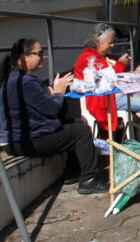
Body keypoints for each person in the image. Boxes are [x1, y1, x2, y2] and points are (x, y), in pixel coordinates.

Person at [0, 39, 107, 194]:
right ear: (24, 57)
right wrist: (58, 93)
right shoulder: (25, 81)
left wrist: (52, 92)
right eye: (39, 53)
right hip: (25, 140)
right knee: (81, 131)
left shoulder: (15, 78)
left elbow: (38, 104)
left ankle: (72, 172)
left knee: (75, 122)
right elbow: (52, 109)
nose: (43, 57)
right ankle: (89, 180)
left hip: (19, 137)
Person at [73, 23, 140, 136]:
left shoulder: (102, 56)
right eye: (109, 43)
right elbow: (106, 78)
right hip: (102, 98)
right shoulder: (89, 58)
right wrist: (120, 64)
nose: (112, 46)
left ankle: (134, 132)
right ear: (98, 40)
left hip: (111, 95)